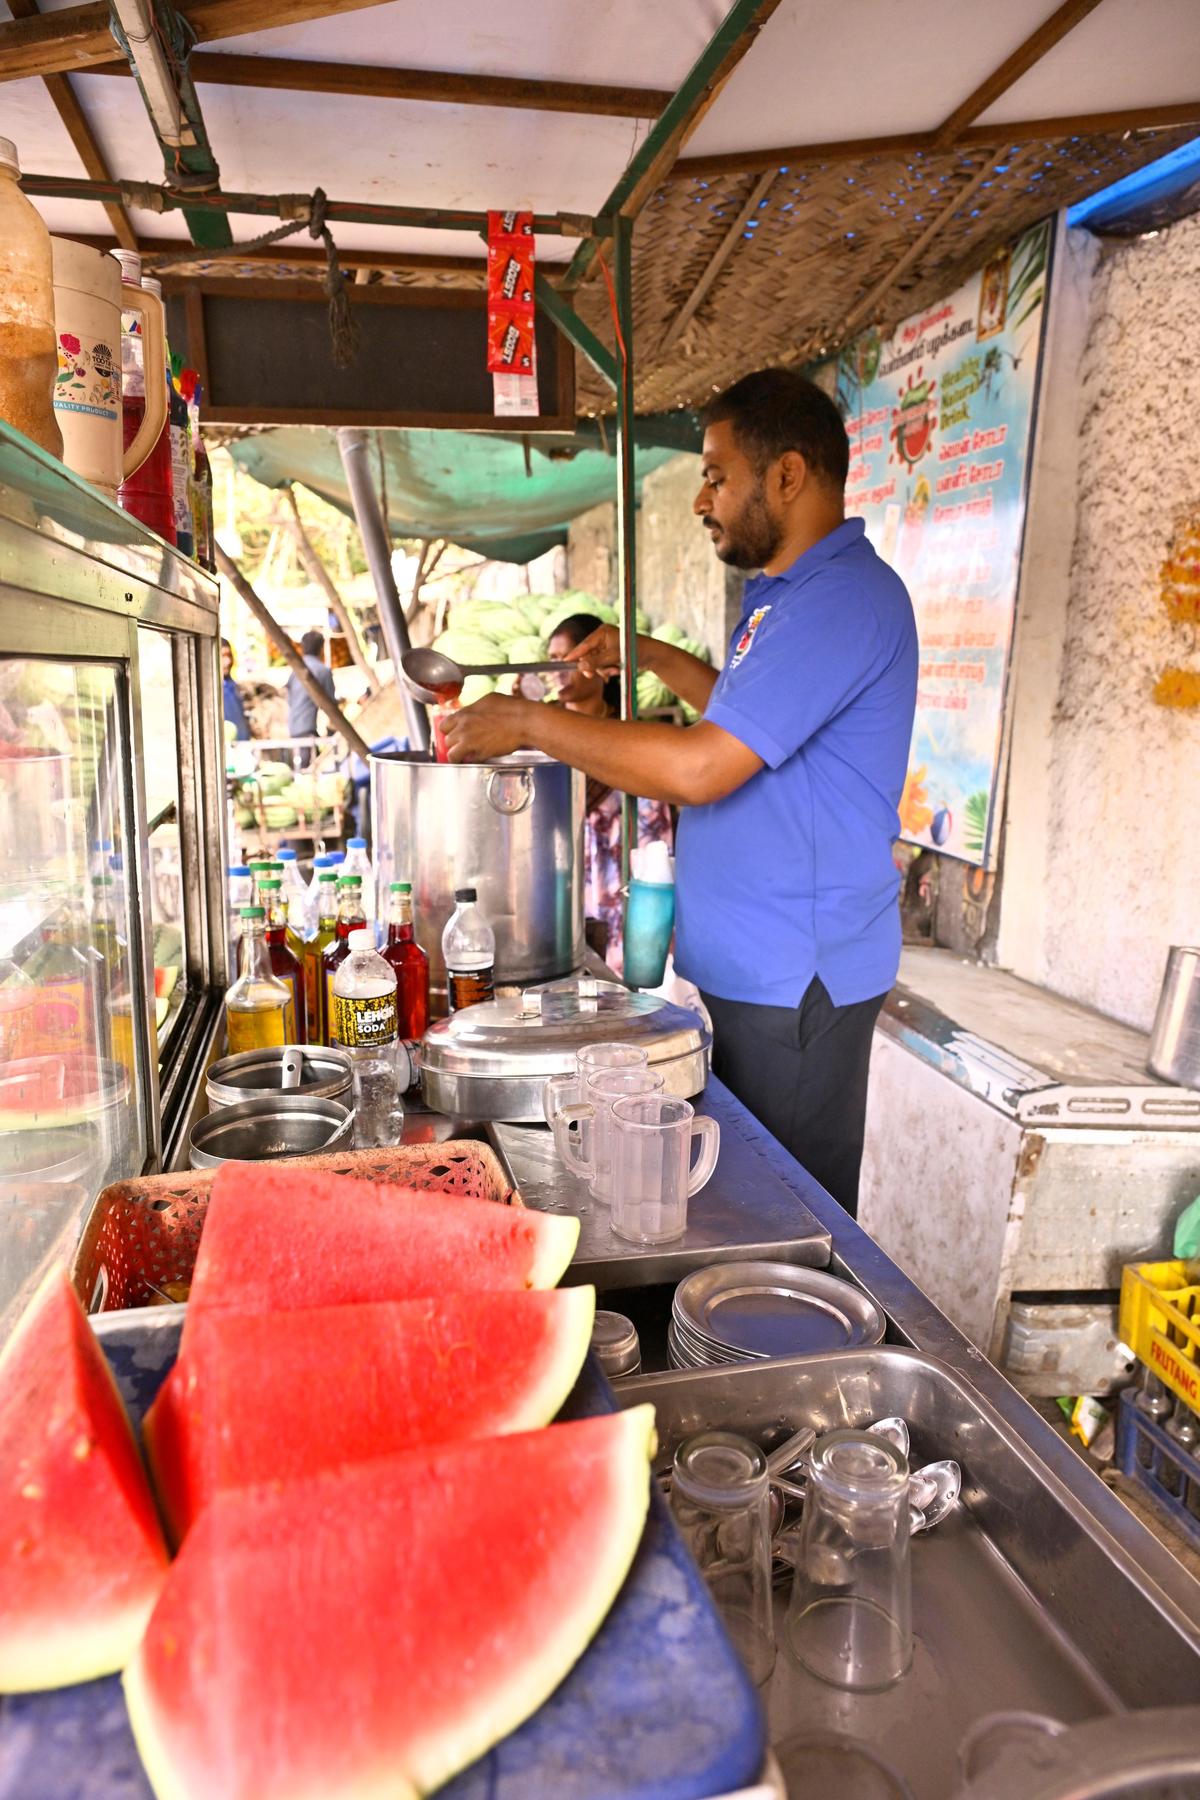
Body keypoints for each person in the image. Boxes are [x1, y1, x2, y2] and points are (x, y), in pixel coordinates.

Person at [444, 369, 918, 1215]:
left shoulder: (840, 601)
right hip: (754, 967)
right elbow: (747, 719)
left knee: (788, 1219)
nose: (703, 499)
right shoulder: (784, 598)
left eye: (715, 473)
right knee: (743, 1203)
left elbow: (702, 766)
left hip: (796, 976)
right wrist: (652, 656)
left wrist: (528, 722)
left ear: (787, 475)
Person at [545, 613, 673, 977]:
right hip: (559, 882)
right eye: (551, 660)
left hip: (618, 888)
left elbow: (654, 831)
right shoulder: (540, 731)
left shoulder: (627, 735)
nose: (556, 670)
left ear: (601, 667)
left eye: (566, 658)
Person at [287, 628, 336, 768]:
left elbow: (290, 700)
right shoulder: (323, 671)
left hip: (293, 726)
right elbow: (331, 705)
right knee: (307, 768)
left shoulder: (294, 671)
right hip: (307, 729)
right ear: (321, 648)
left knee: (301, 767)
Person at [221, 638, 250, 741]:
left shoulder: (233, 686)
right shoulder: (211, 691)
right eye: (222, 656)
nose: (228, 661)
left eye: (229, 655)